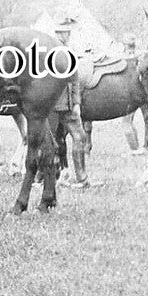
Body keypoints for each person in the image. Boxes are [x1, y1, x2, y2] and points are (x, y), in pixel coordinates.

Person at [52, 19, 99, 189]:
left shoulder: (69, 52)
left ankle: (82, 179)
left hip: (69, 107)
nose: (65, 36)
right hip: (51, 107)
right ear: (57, 33)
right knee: (50, 142)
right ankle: (44, 178)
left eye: (67, 32)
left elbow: (75, 80)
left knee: (79, 137)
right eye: (62, 32)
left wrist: (77, 103)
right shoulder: (48, 51)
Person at [119, 33, 146, 155]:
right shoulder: (139, 57)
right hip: (141, 92)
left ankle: (134, 149)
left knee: (126, 123)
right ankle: (139, 147)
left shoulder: (122, 59)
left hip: (129, 94)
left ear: (125, 45)